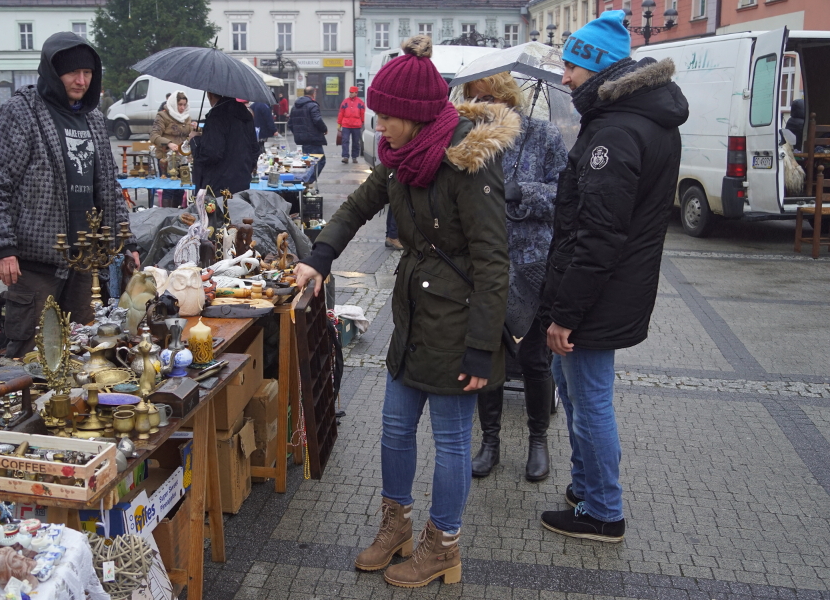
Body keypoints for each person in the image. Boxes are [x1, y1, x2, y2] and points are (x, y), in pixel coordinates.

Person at [294, 35, 516, 588]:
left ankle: (443, 545)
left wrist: (482, 348)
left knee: (450, 442)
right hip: (414, 315)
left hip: (459, 325)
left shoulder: (469, 164)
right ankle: (396, 525)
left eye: (387, 116)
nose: (378, 126)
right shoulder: (400, 157)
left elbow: (494, 263)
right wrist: (319, 257)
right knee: (394, 431)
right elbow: (356, 206)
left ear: (416, 115)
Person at [538, 10, 688, 542]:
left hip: (599, 296)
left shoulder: (616, 131)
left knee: (589, 400)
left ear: (598, 68)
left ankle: (603, 511)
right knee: (578, 394)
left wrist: (566, 315)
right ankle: (585, 488)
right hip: (611, 290)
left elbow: (599, 235)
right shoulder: (632, 120)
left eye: (572, 67)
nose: (565, 78)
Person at [0, 32, 137, 359]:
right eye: (72, 73)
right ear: (52, 71)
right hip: (36, 264)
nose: (81, 81)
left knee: (84, 355)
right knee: (33, 358)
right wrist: (1, 247)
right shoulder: (22, 113)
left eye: (88, 73)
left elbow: (107, 186)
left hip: (84, 263)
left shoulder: (92, 117)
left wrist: (126, 242)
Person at [463, 72, 569, 481]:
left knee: (535, 359)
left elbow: (564, 196)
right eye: (475, 101)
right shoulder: (474, 140)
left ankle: (537, 441)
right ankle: (489, 443)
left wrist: (521, 190)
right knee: (488, 354)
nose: (483, 109)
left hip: (531, 263)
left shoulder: (543, 136)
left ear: (506, 98)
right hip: (486, 265)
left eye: (488, 99)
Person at [190, 91, 260, 199]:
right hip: (242, 182)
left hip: (218, 186)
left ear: (209, 95)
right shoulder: (246, 116)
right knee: (239, 214)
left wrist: (195, 140)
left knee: (219, 216)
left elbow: (211, 153)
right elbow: (254, 149)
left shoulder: (216, 116)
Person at [150, 91, 194, 207]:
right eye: (180, 104)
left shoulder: (187, 118)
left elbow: (189, 135)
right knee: (169, 189)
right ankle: (166, 216)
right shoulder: (162, 116)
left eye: (184, 105)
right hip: (167, 158)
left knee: (181, 189)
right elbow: (154, 135)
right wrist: (168, 143)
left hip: (183, 159)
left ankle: (177, 215)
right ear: (174, 104)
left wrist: (195, 130)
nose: (182, 108)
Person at [289, 86, 328, 176]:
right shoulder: (313, 105)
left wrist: (298, 133)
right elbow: (317, 120)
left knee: (307, 162)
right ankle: (307, 180)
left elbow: (290, 124)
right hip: (313, 139)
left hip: (302, 140)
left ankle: (305, 182)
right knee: (320, 161)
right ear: (313, 94)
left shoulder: (295, 106)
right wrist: (324, 129)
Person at [337, 86, 365, 164]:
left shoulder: (360, 102)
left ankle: (354, 157)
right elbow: (341, 113)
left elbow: (362, 113)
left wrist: (363, 122)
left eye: (352, 92)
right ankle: (345, 157)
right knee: (345, 141)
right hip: (346, 125)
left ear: (356, 93)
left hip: (356, 125)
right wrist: (339, 123)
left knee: (356, 142)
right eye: (350, 92)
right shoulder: (345, 102)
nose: (350, 94)